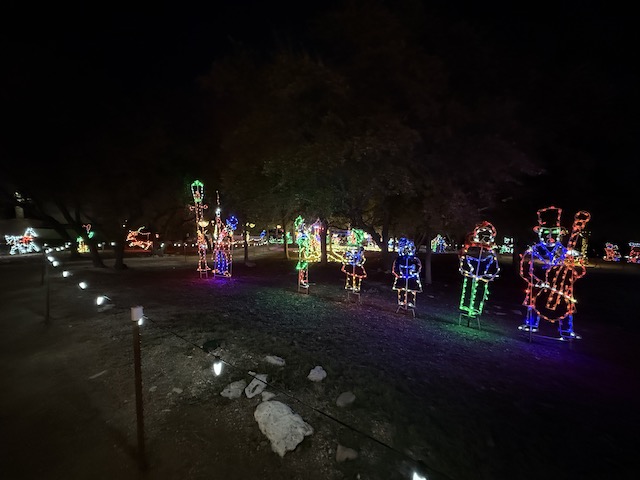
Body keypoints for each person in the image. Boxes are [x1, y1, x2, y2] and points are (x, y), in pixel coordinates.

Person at [519, 206, 590, 339]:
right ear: (540, 233)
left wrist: (574, 267)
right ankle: (531, 325)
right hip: (538, 287)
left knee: (566, 307)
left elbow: (580, 271)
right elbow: (525, 271)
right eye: (546, 232)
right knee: (533, 303)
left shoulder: (566, 252)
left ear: (560, 233)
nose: (550, 236)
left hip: (560, 289)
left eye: (554, 232)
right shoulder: (532, 252)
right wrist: (537, 282)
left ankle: (566, 330)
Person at [392, 237, 423, 313]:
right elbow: (395, 268)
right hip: (402, 278)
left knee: (411, 291)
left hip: (412, 278)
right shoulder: (399, 259)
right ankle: (402, 302)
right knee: (401, 290)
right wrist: (399, 274)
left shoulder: (414, 259)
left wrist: (413, 272)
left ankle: (410, 303)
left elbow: (418, 267)